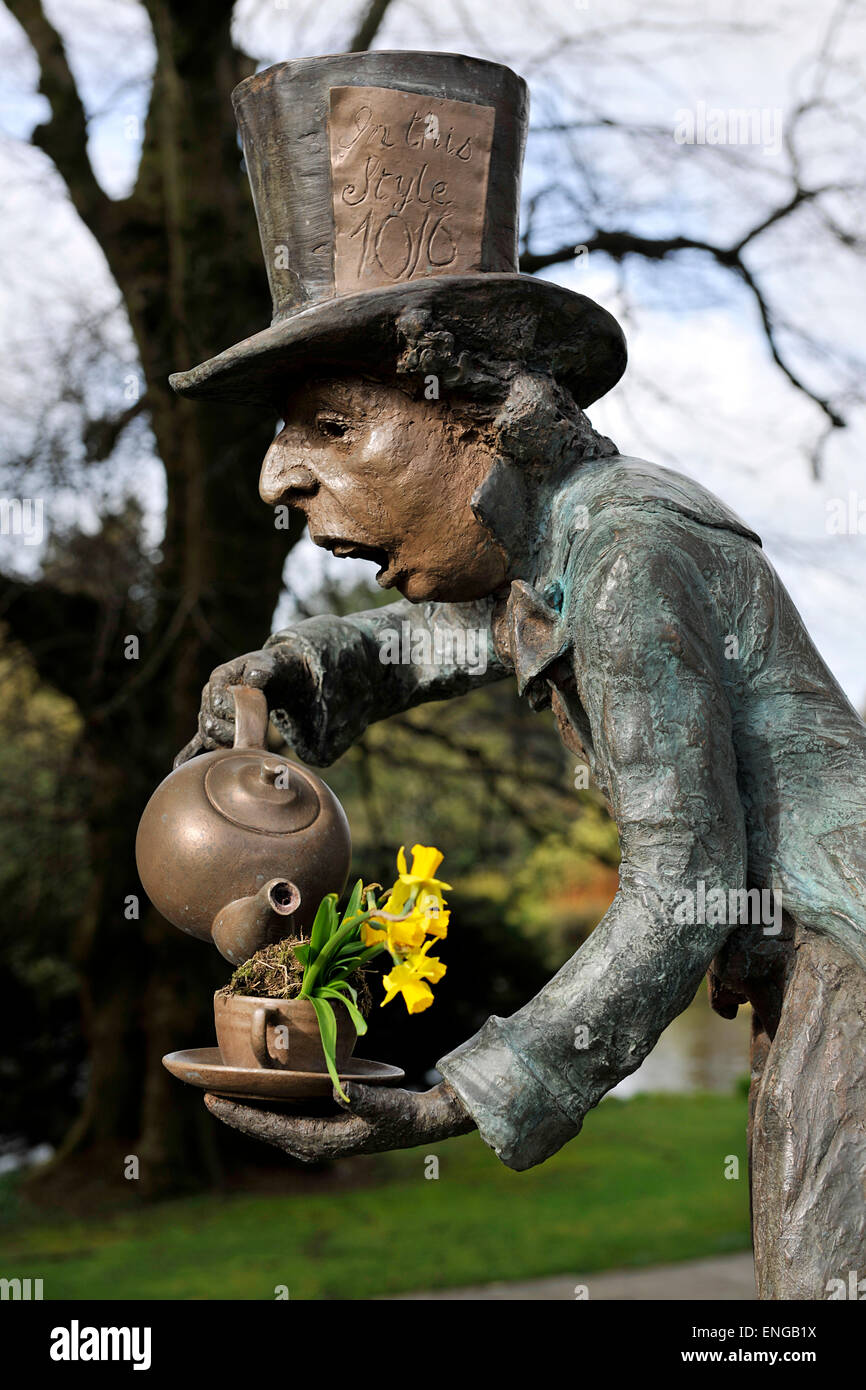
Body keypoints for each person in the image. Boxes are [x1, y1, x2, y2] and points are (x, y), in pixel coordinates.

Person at [170, 52, 866, 1299]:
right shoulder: (560, 556)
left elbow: (684, 888)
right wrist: (289, 675)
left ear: (475, 420)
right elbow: (432, 642)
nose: (277, 482)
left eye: (328, 426)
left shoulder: (627, 547)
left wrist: (455, 1094)